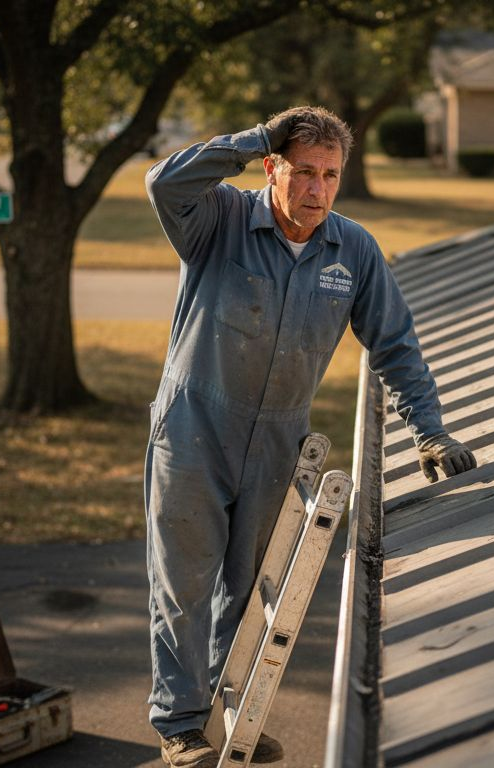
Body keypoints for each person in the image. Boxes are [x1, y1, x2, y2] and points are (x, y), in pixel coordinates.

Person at [142, 106, 477, 767]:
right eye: (302, 172)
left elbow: (396, 344)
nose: (317, 189)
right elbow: (162, 184)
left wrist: (429, 430)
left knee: (252, 590)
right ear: (272, 168)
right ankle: (180, 726)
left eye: (330, 175)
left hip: (277, 441)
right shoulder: (221, 220)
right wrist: (250, 139)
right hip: (193, 429)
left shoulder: (351, 250)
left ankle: (231, 719)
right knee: (182, 585)